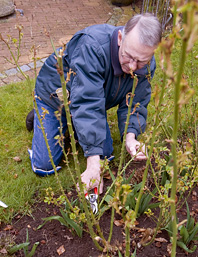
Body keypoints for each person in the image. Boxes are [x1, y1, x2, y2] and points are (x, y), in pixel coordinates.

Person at [27, 13, 162, 193]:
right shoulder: (92, 47)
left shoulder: (145, 64)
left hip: (91, 100)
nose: (132, 66)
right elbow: (87, 102)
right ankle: (40, 115)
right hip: (53, 97)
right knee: (45, 165)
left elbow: (136, 101)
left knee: (105, 156)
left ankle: (75, 124)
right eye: (129, 56)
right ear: (121, 38)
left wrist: (131, 138)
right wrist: (92, 165)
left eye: (140, 61)